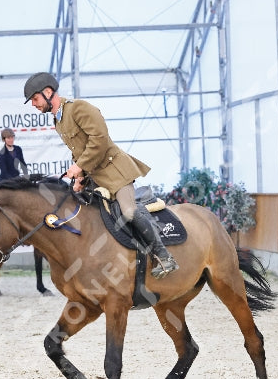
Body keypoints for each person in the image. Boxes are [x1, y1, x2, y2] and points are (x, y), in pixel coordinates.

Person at [23, 72, 178, 279]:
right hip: (95, 178)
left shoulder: (78, 108)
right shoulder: (58, 120)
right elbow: (80, 150)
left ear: (48, 92)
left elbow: (100, 140)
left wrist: (79, 166)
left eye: (35, 99)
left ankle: (164, 255)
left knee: (129, 212)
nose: (34, 104)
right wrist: (80, 177)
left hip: (116, 173)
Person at [0, 128, 52, 297]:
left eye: (12, 137)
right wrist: (17, 182)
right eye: (8, 137)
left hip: (18, 180)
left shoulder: (18, 149)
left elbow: (22, 165)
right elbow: (6, 171)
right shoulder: (2, 153)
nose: (11, 139)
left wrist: (26, 177)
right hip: (7, 182)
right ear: (4, 139)